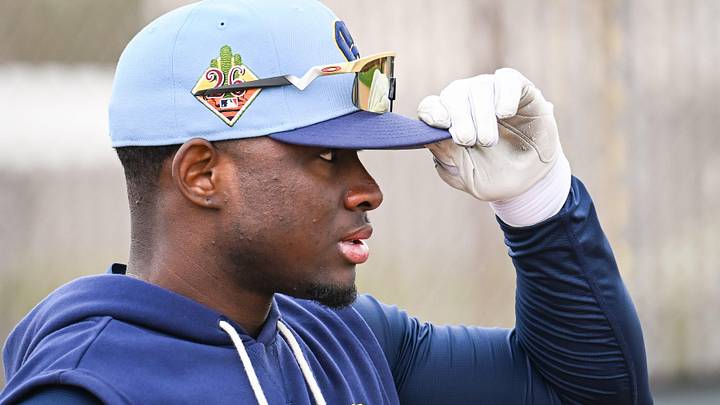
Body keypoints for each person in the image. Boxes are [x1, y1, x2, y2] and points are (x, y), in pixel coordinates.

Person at [1, 0, 653, 404]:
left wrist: (539, 203)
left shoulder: (339, 334)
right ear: (203, 173)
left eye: (360, 153)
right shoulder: (84, 389)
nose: (369, 187)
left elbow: (585, 395)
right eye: (325, 155)